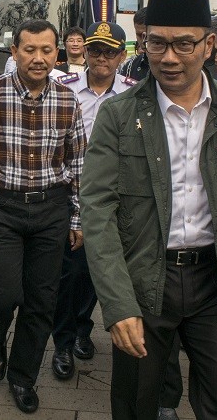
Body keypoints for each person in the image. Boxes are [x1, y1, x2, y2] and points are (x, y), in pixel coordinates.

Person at [81, 0, 217, 419]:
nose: (169, 57)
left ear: (208, 45)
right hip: (145, 279)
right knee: (136, 402)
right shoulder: (118, 115)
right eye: (157, 43)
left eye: (184, 44)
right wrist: (118, 304)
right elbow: (97, 211)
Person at [0, 18, 86, 414]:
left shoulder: (67, 101)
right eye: (30, 50)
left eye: (47, 50)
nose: (38, 58)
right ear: (14, 52)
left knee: (41, 300)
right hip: (2, 209)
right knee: (4, 294)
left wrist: (77, 218)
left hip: (51, 209)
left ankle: (22, 376)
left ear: (57, 54)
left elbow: (78, 164)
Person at [51, 21, 135, 381]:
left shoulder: (134, 92)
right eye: (95, 50)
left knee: (98, 270)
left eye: (109, 51)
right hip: (72, 192)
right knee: (70, 271)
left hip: (117, 195)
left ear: (121, 56)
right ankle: (62, 341)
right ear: (84, 52)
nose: (102, 58)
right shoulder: (64, 88)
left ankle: (82, 329)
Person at [119, 7, 150, 81]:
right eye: (139, 35)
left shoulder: (171, 64)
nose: (143, 40)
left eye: (147, 35)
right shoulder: (130, 68)